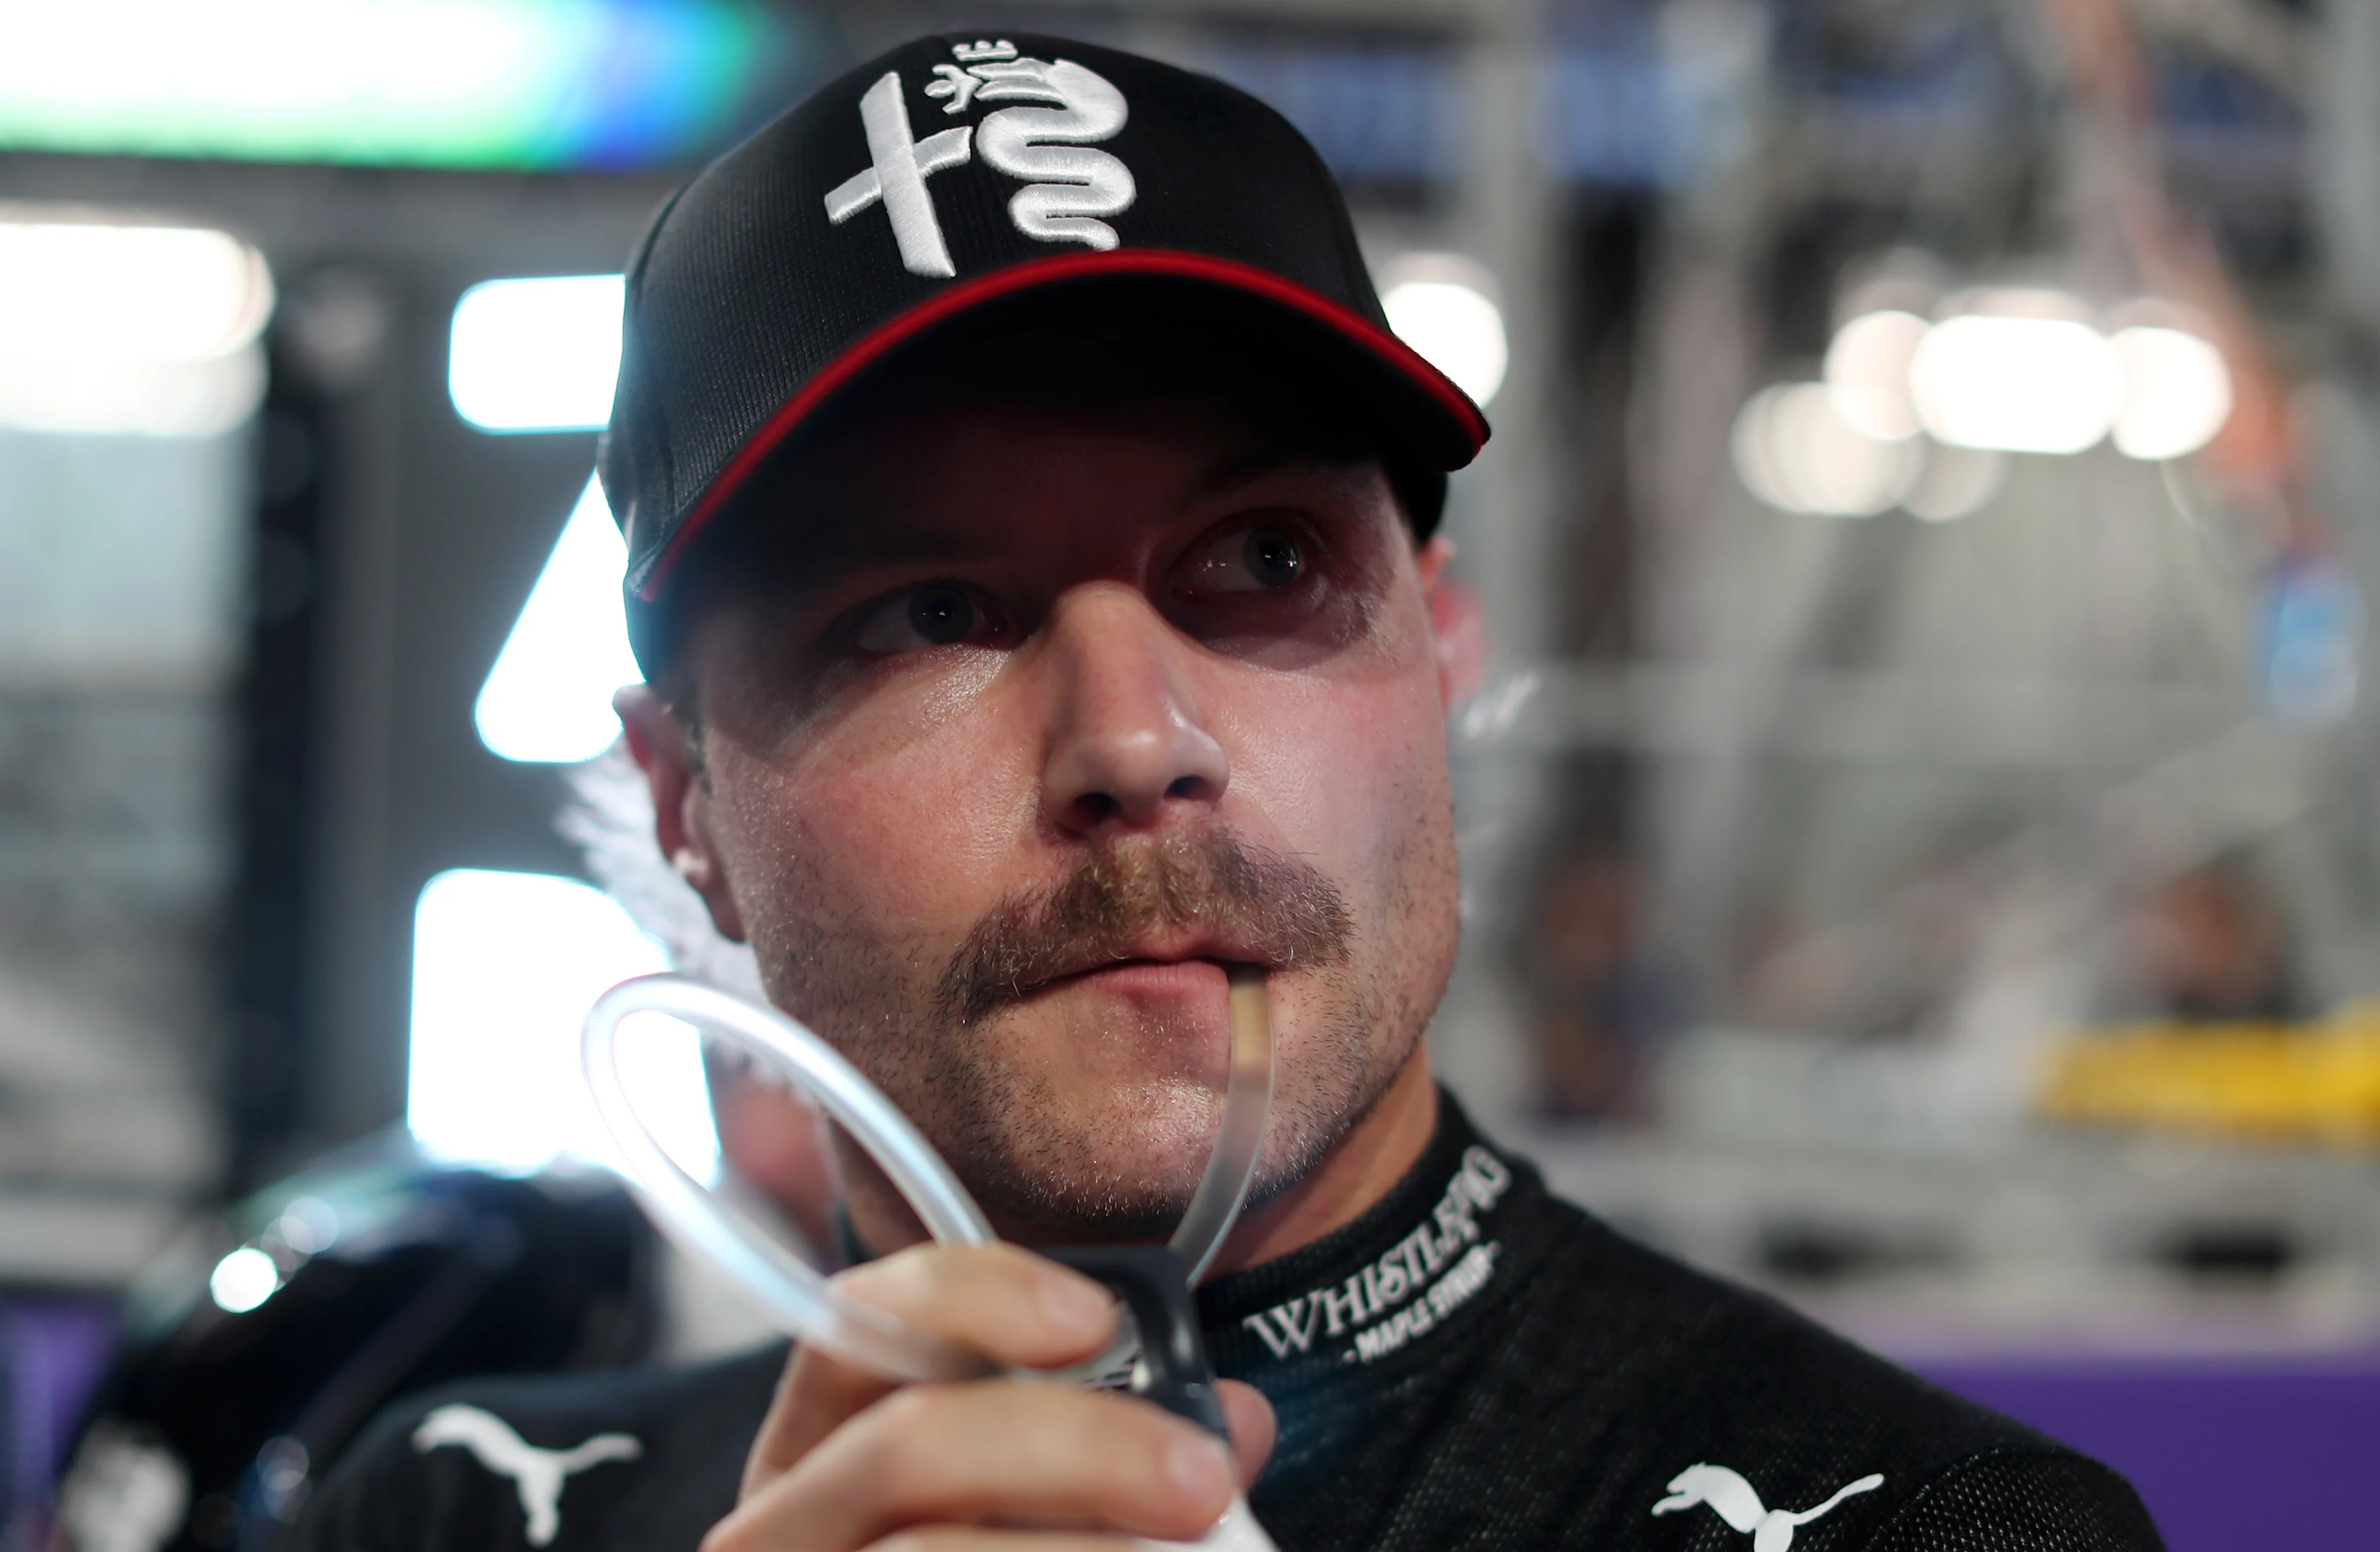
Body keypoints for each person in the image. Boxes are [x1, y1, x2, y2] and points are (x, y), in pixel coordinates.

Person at [298, 33, 2162, 1552]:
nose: (1132, 741)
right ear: (684, 797)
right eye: (927, 614)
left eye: (1264, 561)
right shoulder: (450, 1516)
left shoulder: (1919, 1532)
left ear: (1442, 658)